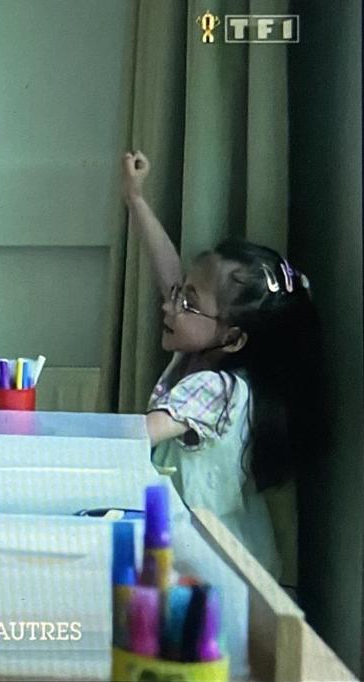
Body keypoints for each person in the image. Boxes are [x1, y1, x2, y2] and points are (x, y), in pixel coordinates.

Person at [122, 151, 324, 584]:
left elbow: (138, 435)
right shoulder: (206, 350)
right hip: (217, 547)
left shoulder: (215, 389)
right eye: (180, 294)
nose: (170, 304)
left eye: (187, 301)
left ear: (233, 338)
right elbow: (170, 275)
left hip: (217, 559)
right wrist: (136, 200)